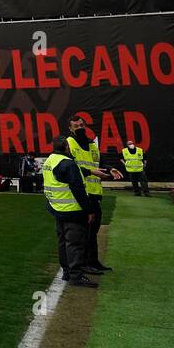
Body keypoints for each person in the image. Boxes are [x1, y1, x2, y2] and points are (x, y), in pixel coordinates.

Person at [65, 116, 124, 273]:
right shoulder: (69, 144)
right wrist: (91, 171)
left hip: (95, 193)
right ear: (70, 129)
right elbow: (70, 168)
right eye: (76, 126)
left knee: (93, 230)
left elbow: (100, 162)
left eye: (82, 125)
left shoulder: (92, 144)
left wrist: (110, 169)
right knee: (84, 232)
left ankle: (93, 261)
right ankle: (83, 264)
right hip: (81, 193)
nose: (80, 127)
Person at [41, 140, 99, 287]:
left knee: (62, 241)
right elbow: (78, 189)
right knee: (74, 243)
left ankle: (67, 271)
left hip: (57, 207)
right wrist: (89, 210)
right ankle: (76, 275)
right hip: (72, 209)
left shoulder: (51, 160)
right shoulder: (68, 163)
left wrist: (90, 171)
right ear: (66, 147)